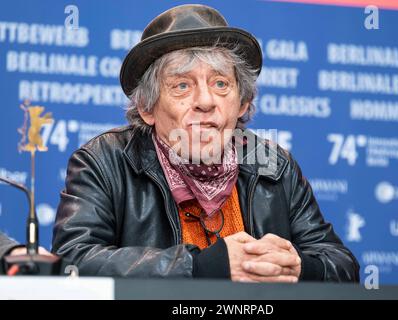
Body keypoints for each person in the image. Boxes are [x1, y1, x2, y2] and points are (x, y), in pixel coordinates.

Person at [52, 4, 359, 282]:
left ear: (242, 103)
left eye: (221, 84)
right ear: (147, 108)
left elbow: (341, 264)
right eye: (182, 85)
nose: (205, 101)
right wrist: (200, 267)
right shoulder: (104, 161)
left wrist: (301, 267)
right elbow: (72, 262)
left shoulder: (273, 163)